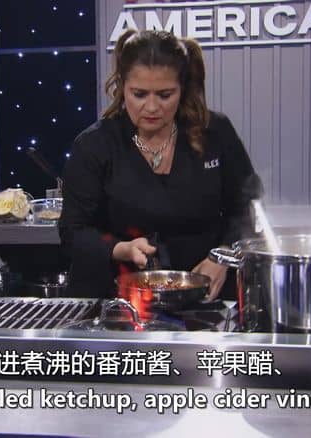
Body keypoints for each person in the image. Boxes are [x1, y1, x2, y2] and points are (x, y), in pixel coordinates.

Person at [58, 29, 263, 300]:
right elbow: (73, 231)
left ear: (182, 89)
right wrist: (121, 248)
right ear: (121, 86)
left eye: (165, 95)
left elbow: (247, 208)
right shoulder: (95, 145)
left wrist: (223, 256)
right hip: (117, 299)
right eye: (139, 94)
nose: (152, 107)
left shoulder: (215, 132)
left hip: (206, 296)